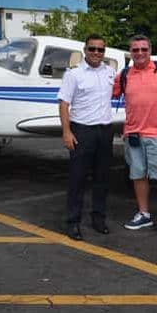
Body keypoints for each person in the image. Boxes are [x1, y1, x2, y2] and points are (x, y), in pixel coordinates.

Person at [114, 34, 157, 237]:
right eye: (135, 50)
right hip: (133, 133)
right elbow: (104, 93)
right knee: (138, 175)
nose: (140, 53)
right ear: (130, 53)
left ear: (150, 51)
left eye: (144, 49)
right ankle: (144, 214)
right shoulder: (124, 75)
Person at [58, 35, 116, 240]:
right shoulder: (73, 74)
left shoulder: (110, 72)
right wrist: (66, 132)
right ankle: (73, 222)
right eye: (92, 49)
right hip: (82, 131)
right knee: (77, 178)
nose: (96, 53)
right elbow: (64, 104)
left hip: (105, 131)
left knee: (102, 178)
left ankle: (98, 218)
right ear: (85, 50)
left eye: (100, 50)